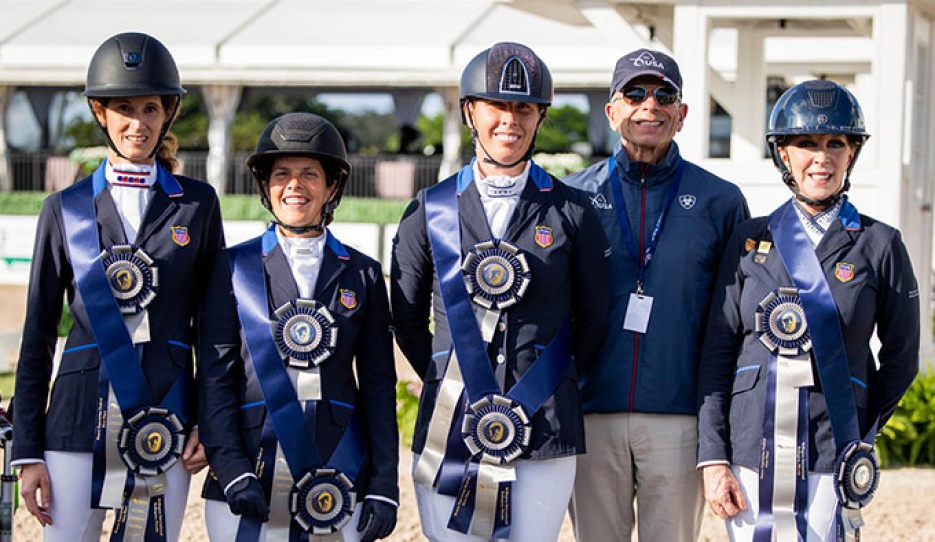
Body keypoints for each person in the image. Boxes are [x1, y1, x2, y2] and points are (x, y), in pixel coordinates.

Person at [391, 41, 610, 542]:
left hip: (544, 424)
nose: (510, 120)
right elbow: (406, 318)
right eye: (497, 105)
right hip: (452, 422)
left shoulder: (573, 211)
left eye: (524, 109)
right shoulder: (427, 209)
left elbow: (593, 320)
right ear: (470, 111)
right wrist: (450, 376)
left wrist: (546, 380)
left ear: (539, 117)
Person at [12, 31, 224, 541]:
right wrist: (27, 450)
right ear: (100, 113)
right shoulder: (63, 209)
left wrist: (207, 420)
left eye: (150, 109)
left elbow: (214, 329)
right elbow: (38, 333)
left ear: (167, 114)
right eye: (124, 109)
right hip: (74, 419)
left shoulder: (197, 205)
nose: (138, 123)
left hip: (166, 416)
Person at [697, 79, 920, 541]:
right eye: (806, 144)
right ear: (783, 153)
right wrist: (714, 456)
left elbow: (902, 355)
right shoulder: (748, 239)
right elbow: (718, 352)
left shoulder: (880, 244)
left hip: (832, 442)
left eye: (835, 143)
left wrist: (862, 427)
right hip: (749, 445)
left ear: (852, 153)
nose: (821, 157)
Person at [562, 48, 749, 542]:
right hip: (591, 413)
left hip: (680, 417)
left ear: (682, 114)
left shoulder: (721, 202)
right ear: (612, 110)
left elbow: (732, 322)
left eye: (664, 95)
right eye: (635, 93)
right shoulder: (572, 197)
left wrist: (718, 432)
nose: (650, 105)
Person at [197, 111, 399, 542]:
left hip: (339, 472)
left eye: (310, 173)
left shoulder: (362, 274)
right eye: (282, 174)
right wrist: (230, 467)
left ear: (332, 187)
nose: (294, 185)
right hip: (250, 469)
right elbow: (215, 376)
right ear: (266, 187)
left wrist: (384, 483)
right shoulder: (231, 267)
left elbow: (378, 386)